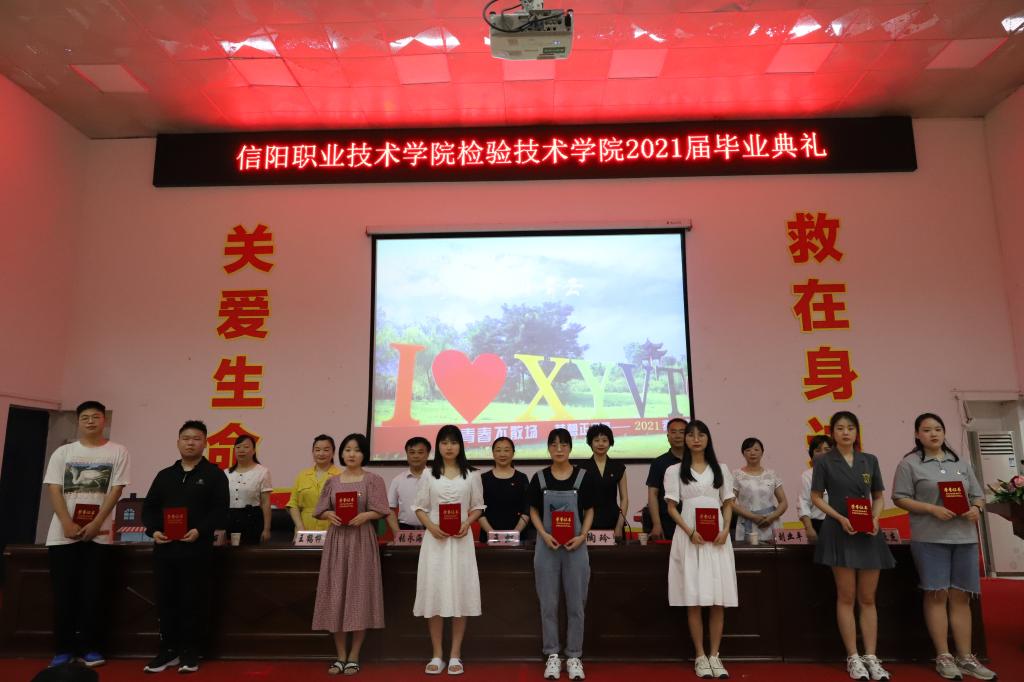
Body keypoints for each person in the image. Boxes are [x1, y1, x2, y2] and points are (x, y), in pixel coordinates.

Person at [892, 413, 996, 681]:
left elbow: (978, 496)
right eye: (927, 430)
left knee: (962, 597)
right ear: (917, 435)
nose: (933, 434)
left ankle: (966, 657)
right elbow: (900, 498)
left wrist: (976, 509)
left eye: (938, 429)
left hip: (964, 538)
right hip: (929, 538)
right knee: (937, 594)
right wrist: (931, 509)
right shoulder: (909, 464)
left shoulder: (959, 462)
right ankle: (943, 656)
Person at [42, 400, 129, 669]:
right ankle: (63, 649)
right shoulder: (63, 452)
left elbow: (116, 490)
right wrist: (66, 523)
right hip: (62, 535)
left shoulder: (118, 451)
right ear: (78, 422)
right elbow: (54, 488)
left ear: (104, 420)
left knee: (93, 593)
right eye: (85, 417)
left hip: (98, 534)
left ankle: (90, 647)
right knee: (63, 593)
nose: (90, 421)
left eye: (96, 417)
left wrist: (97, 523)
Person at [811, 411, 895, 681]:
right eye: (840, 428)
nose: (845, 432)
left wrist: (876, 518)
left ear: (857, 432)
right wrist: (839, 517)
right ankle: (853, 657)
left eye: (850, 428)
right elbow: (816, 497)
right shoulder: (824, 461)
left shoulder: (869, 460)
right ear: (832, 433)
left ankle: (871, 656)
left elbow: (878, 496)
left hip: (868, 533)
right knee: (846, 597)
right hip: (840, 530)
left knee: (868, 598)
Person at [141, 420, 229, 674]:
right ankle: (168, 650)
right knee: (166, 600)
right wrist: (154, 531)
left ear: (205, 443)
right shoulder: (164, 475)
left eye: (197, 439)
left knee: (194, 600)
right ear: (178, 442)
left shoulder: (214, 475)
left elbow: (220, 510)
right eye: (186, 438)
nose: (191, 443)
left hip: (197, 549)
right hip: (166, 550)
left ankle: (191, 651)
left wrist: (200, 531)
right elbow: (149, 508)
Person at [664, 420, 737, 679]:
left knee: (718, 599)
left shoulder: (722, 469)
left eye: (701, 435)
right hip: (690, 538)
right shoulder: (674, 470)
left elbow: (727, 502)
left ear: (708, 439)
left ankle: (715, 655)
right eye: (691, 435)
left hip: (717, 539)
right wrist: (689, 531)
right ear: (685, 439)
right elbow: (671, 507)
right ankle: (700, 656)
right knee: (693, 599)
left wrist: (726, 529)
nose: (696, 439)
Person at [311, 433, 389, 675]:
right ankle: (340, 655)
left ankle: (354, 654)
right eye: (347, 450)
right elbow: (320, 510)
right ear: (341, 454)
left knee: (358, 595)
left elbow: (382, 509)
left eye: (357, 450)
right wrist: (328, 514)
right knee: (336, 595)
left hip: (361, 541)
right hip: (337, 541)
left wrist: (366, 515)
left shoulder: (373, 479)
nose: (352, 454)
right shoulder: (332, 481)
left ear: (364, 454)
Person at [412, 425, 485, 675]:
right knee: (434, 594)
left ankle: (455, 655)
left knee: (459, 595)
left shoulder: (472, 475)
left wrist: (467, 523)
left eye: (453, 442)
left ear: (460, 445)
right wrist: (431, 526)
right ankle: (437, 654)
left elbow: (478, 506)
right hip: (435, 541)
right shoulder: (428, 474)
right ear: (438, 446)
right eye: (444, 442)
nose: (449, 447)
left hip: (461, 541)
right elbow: (419, 507)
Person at [529, 428, 597, 681]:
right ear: (548, 448)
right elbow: (533, 510)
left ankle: (575, 656)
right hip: (547, 547)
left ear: (570, 447)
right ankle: (552, 655)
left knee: (576, 604)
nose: (559, 449)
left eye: (564, 444)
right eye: (554, 445)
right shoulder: (539, 478)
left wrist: (583, 535)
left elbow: (590, 510)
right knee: (548, 604)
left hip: (575, 548)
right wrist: (543, 534)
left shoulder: (583, 477)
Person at [731, 437, 788, 543]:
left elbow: (783, 502)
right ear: (743, 453)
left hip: (771, 522)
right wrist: (753, 516)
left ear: (762, 452)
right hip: (747, 521)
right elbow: (730, 503)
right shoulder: (736, 475)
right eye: (748, 450)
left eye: (756, 449)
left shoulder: (771, 474)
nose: (752, 453)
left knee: (774, 552)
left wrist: (771, 517)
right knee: (749, 552)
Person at [579, 423, 629, 540]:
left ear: (610, 442)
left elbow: (624, 499)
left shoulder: (618, 467)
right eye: (596, 440)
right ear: (590, 443)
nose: (601, 444)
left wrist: (619, 525)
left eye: (604, 440)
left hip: (614, 522)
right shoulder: (581, 468)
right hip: (588, 523)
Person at [478, 436, 529, 543]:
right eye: (498, 450)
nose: (502, 454)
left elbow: (527, 509)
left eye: (506, 450)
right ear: (493, 453)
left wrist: (514, 534)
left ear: (513, 453)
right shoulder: (483, 479)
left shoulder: (522, 478)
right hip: (488, 537)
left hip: (517, 538)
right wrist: (493, 535)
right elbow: (479, 510)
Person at [287, 435, 342, 533]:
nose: (321, 453)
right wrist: (300, 527)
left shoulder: (341, 476)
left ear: (333, 452)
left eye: (326, 450)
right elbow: (293, 504)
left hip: (331, 528)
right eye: (317, 450)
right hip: (305, 528)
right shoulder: (302, 475)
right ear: (312, 452)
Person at [646, 417, 688, 540]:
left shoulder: (697, 461)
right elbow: (653, 494)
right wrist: (657, 524)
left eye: (682, 432)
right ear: (668, 436)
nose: (678, 436)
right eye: (673, 432)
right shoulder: (659, 463)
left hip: (692, 518)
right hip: (668, 522)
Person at [226, 435, 272, 544]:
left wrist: (266, 529)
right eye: (238, 447)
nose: (241, 450)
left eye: (246, 447)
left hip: (252, 518)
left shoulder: (262, 472)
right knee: (228, 552)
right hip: (229, 519)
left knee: (250, 551)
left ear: (254, 450)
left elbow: (266, 503)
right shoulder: (226, 473)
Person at [386, 436, 431, 537]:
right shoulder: (397, 480)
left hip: (432, 530)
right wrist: (397, 533)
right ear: (407, 454)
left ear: (428, 454)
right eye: (412, 452)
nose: (416, 456)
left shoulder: (436, 478)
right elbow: (389, 509)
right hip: (405, 530)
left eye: (420, 452)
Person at [799, 435, 834, 542]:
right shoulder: (808, 475)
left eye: (827, 450)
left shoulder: (842, 474)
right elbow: (803, 503)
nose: (823, 453)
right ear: (812, 454)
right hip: (818, 525)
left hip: (841, 524)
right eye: (818, 450)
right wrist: (809, 528)